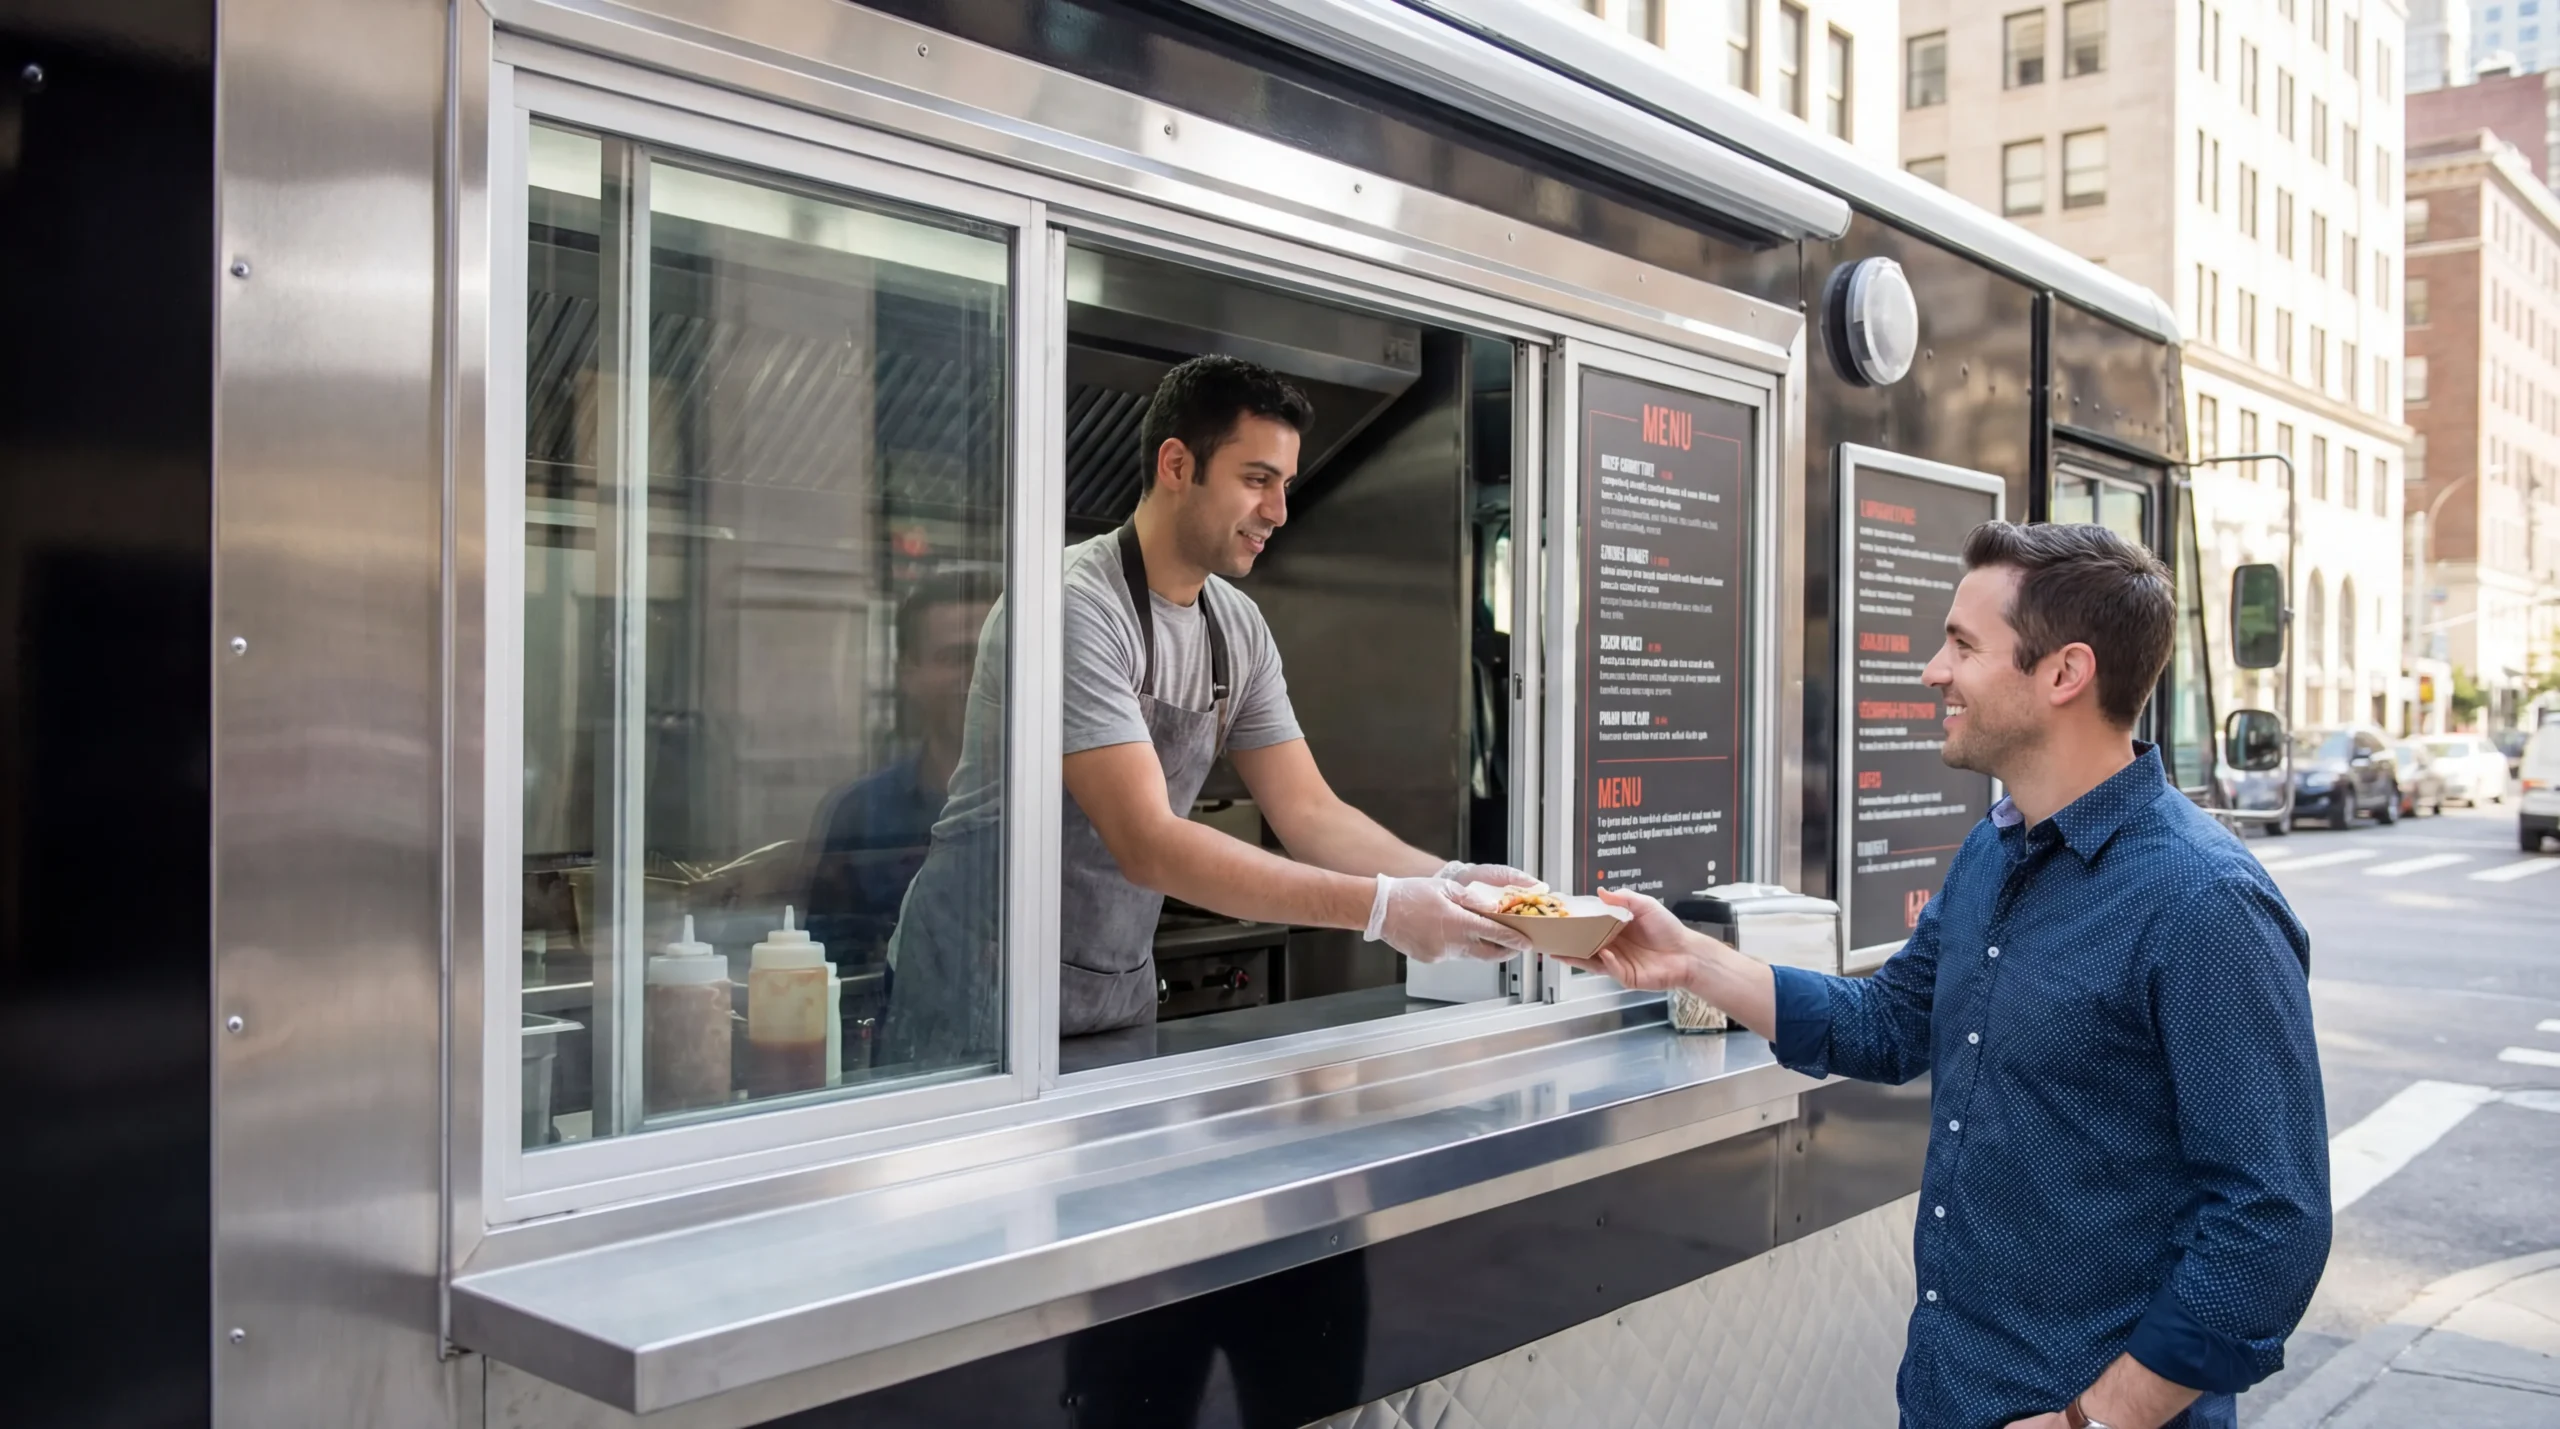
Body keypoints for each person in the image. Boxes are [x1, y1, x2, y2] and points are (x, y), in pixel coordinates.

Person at [1551, 522, 2329, 1429]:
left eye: (1962, 645)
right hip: (1946, 1396)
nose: (1933, 670)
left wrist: (2096, 1419)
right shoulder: (1994, 850)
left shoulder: (2206, 902)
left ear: (2064, 674)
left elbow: (2270, 1223)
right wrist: (1694, 959)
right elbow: (1888, 1023)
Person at [885, 355, 1533, 1063]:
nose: (1279, 512)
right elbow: (1148, 842)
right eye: (1256, 479)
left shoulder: (1237, 627)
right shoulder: (1073, 607)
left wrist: (1447, 880)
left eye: (1284, 485)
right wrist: (1380, 909)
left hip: (1108, 989)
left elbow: (1310, 813)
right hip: (977, 997)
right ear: (1175, 464)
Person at [802, 570, 998, 968]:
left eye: (993, 654)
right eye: (955, 657)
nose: (977, 675)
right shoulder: (860, 812)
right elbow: (833, 967)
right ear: (907, 674)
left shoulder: (1067, 803)